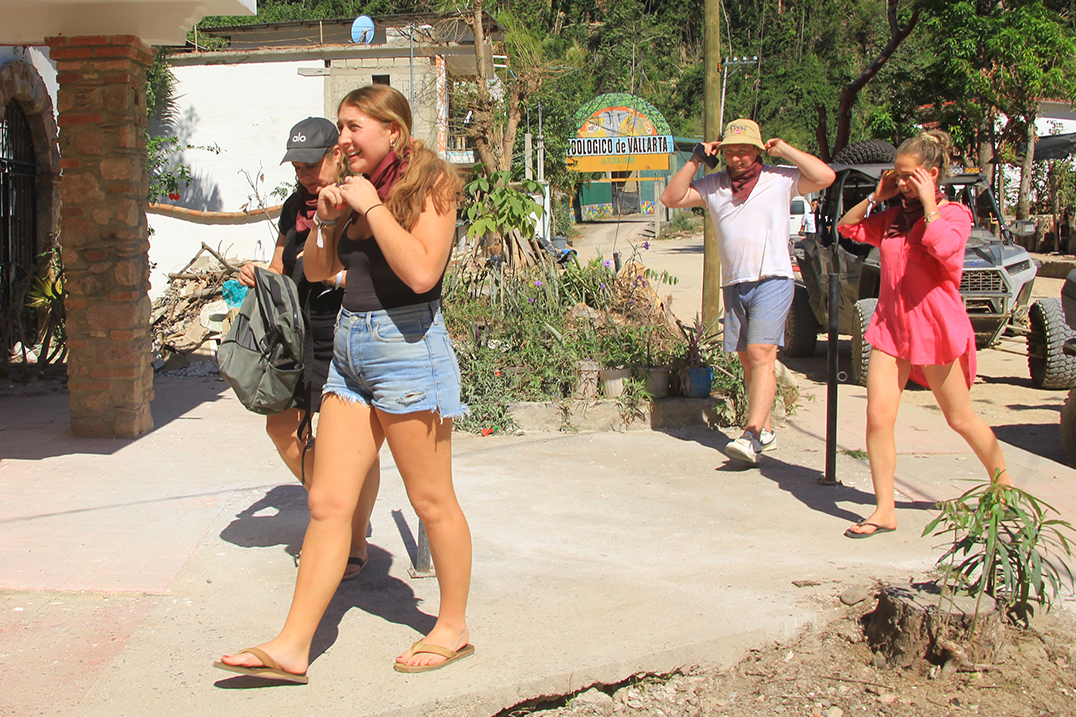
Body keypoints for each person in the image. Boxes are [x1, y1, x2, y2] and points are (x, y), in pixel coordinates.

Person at [216, 86, 471, 683]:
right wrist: (328, 222)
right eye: (341, 126)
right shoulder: (357, 188)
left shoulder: (430, 184)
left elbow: (421, 271)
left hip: (407, 351)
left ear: (392, 131)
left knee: (431, 500)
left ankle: (452, 627)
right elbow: (318, 270)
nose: (344, 138)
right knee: (328, 503)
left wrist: (372, 208)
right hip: (350, 351)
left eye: (355, 126)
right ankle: (292, 646)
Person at [835, 130, 1013, 538]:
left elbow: (946, 250)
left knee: (960, 418)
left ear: (932, 175)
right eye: (897, 176)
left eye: (909, 176)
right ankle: (884, 509)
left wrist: (930, 205)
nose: (901, 184)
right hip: (891, 328)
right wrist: (876, 196)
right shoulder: (892, 219)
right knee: (878, 417)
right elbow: (847, 228)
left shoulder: (955, 215)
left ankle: (1004, 487)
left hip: (934, 329)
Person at [237, 117, 380, 581]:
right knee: (281, 426)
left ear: (337, 155)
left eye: (310, 165)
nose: (303, 175)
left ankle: (352, 540)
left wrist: (333, 275)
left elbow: (381, 269)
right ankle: (331, 509)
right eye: (297, 167)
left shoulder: (361, 199)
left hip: (346, 329)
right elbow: (280, 267)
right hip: (295, 334)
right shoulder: (295, 207)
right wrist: (257, 273)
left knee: (355, 447)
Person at [662, 118, 835, 465]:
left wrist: (785, 150)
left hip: (773, 277)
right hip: (735, 282)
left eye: (744, 151)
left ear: (757, 151)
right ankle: (766, 430)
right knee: (747, 359)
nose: (737, 158)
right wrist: (696, 158)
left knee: (761, 354)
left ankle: (752, 434)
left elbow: (825, 177)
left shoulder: (779, 179)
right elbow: (672, 197)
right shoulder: (714, 186)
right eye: (730, 152)